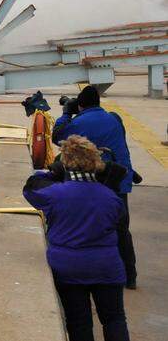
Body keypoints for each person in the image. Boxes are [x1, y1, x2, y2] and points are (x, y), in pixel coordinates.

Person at [24, 136, 130, 341]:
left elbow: (30, 188)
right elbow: (119, 219)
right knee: (114, 319)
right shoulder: (110, 197)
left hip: (68, 267)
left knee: (78, 322)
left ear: (65, 162)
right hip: (106, 266)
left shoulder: (55, 194)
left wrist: (54, 174)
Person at [52, 85, 137, 288]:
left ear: (80, 105)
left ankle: (93, 273)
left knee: (93, 229)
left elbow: (57, 137)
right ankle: (130, 276)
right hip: (120, 178)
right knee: (121, 229)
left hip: (100, 181)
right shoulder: (114, 118)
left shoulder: (78, 122)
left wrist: (66, 113)